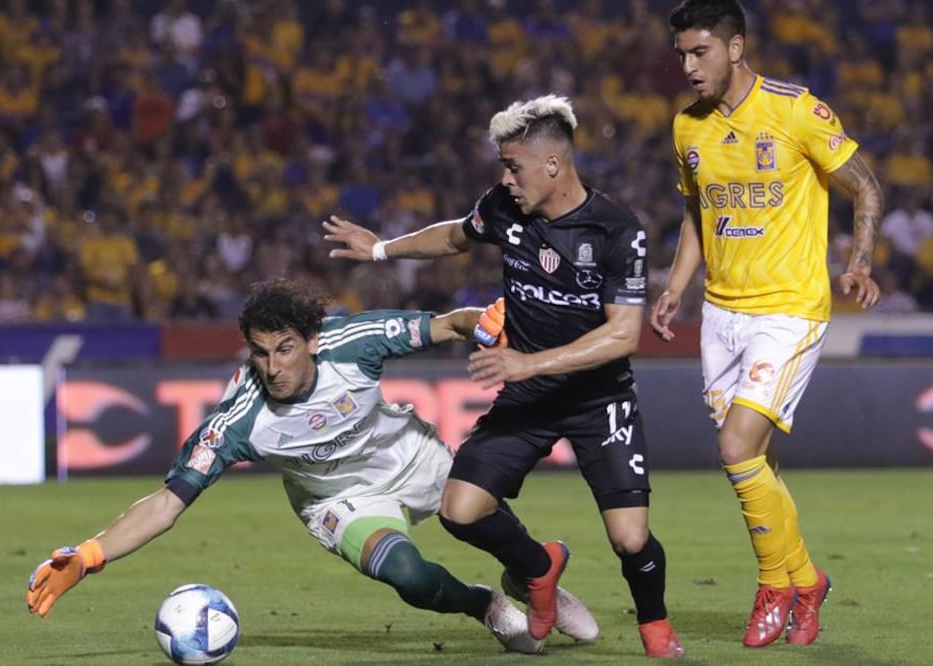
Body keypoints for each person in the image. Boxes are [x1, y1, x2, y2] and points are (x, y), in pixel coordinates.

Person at [324, 94, 683, 659]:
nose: (505, 179)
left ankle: (656, 627)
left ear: (553, 166)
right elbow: (453, 237)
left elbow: (623, 335)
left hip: (599, 398)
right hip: (531, 396)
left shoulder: (617, 230)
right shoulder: (504, 206)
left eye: (513, 167)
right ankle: (539, 570)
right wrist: (381, 249)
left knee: (629, 538)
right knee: (459, 511)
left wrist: (526, 362)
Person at [27, 278, 551, 655]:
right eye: (260, 352)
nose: (273, 366)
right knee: (408, 576)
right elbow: (166, 504)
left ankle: (532, 575)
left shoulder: (354, 342)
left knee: (477, 517)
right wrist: (90, 554)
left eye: (285, 348)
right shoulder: (238, 421)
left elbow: (449, 325)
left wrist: (484, 323)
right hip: (336, 500)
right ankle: (482, 605)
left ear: (313, 339)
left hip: (408, 455)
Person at [651, 0, 884, 649]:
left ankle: (774, 586)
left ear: (735, 46)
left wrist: (858, 260)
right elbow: (696, 213)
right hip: (721, 314)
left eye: (699, 52)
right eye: (681, 56)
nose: (688, 66)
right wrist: (674, 286)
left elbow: (864, 186)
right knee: (756, 459)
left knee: (733, 449)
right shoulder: (686, 127)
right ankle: (805, 579)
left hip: (787, 308)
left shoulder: (794, 110)